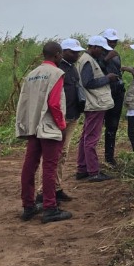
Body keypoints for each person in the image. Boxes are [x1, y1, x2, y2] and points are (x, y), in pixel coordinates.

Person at [17, 41, 71, 223]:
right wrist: (62, 126)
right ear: (57, 55)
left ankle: (28, 206)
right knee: (49, 166)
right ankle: (50, 208)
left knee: (29, 166)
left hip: (33, 126)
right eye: (61, 54)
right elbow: (55, 104)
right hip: (49, 127)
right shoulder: (56, 74)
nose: (62, 57)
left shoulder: (32, 74)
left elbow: (24, 102)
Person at [43, 38, 85, 203]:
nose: (76, 55)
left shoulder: (71, 68)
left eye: (77, 52)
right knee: (55, 155)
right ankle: (46, 191)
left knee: (64, 154)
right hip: (60, 117)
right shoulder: (57, 69)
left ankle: (57, 187)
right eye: (73, 52)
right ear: (62, 53)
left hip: (72, 116)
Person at [75, 35, 116, 182]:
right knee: (91, 138)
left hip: (92, 104)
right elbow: (88, 82)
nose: (103, 53)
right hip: (95, 104)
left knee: (86, 136)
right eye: (102, 50)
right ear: (94, 47)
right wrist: (108, 78)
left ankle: (82, 168)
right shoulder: (87, 60)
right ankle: (93, 171)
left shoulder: (86, 59)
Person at [99, 28, 125, 166]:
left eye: (115, 41)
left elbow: (116, 70)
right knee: (97, 126)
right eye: (111, 41)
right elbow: (97, 69)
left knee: (112, 126)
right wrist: (107, 58)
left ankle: (109, 157)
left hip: (117, 93)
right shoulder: (99, 54)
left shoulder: (116, 55)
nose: (113, 43)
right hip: (103, 94)